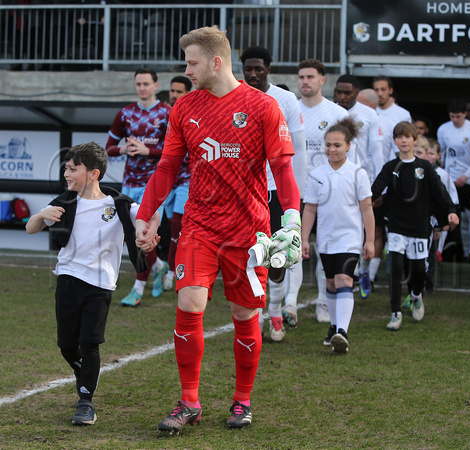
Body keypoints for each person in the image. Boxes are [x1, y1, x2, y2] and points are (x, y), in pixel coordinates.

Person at [134, 26, 301, 432]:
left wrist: (292, 219)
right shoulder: (184, 108)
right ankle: (189, 402)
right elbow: (168, 167)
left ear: (216, 61)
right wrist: (145, 214)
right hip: (199, 227)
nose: (187, 70)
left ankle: (242, 401)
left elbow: (282, 167)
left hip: (249, 232)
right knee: (189, 304)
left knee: (244, 315)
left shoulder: (262, 107)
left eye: (192, 62)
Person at [25, 142, 160, 426]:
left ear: (93, 173)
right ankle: (84, 371)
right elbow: (31, 227)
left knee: (90, 343)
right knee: (66, 345)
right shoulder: (63, 202)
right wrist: (39, 216)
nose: (66, 173)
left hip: (99, 285)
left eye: (73, 168)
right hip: (67, 281)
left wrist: (148, 232)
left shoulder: (119, 204)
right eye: (65, 168)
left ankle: (85, 401)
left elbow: (152, 212)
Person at [241, 45, 307, 341]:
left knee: (278, 256)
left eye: (258, 69)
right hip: (246, 191)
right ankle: (253, 312)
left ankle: (276, 311)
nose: (253, 74)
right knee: (250, 254)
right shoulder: (234, 95)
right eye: (247, 69)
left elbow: (299, 149)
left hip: (277, 189)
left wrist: (297, 196)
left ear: (269, 69)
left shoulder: (286, 99)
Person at [372, 122, 459, 331]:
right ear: (394, 141)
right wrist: (364, 203)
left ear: (414, 139)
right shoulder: (390, 167)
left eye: (407, 137)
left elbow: (439, 192)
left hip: (420, 224)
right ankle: (395, 313)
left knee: (419, 269)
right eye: (399, 137)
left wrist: (450, 210)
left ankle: (416, 294)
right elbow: (374, 190)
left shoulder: (425, 167)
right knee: (396, 268)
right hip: (395, 225)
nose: (403, 140)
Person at [301, 117, 375, 353]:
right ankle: (334, 327)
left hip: (350, 238)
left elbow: (366, 208)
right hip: (326, 239)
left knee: (344, 279)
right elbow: (310, 208)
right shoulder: (317, 174)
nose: (332, 149)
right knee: (331, 283)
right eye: (328, 145)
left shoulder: (357, 174)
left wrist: (370, 239)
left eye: (337, 145)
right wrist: (304, 238)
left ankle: (342, 331)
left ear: (348, 146)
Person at [106, 68, 170, 307]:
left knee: (143, 235)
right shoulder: (125, 113)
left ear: (156, 85)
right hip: (129, 184)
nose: (142, 88)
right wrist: (122, 149)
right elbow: (109, 147)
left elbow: (177, 151)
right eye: (138, 84)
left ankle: (137, 288)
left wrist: (149, 151)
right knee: (134, 236)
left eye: (146, 83)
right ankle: (158, 266)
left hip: (155, 184)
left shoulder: (166, 113)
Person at [298, 58, 349, 323]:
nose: (305, 82)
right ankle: (289, 305)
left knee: (324, 250)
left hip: (327, 194)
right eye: (301, 77)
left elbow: (349, 155)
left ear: (322, 80)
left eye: (310, 77)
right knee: (292, 247)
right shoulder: (289, 110)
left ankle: (322, 301)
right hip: (295, 192)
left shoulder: (336, 114)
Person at [333, 76, 384, 300]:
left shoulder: (369, 115)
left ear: (357, 93)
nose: (342, 97)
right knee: (345, 229)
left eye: (347, 93)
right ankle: (348, 273)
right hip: (336, 181)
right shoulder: (329, 111)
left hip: (363, 181)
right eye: (339, 92)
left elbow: (377, 153)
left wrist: (379, 187)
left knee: (365, 231)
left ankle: (363, 270)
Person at [437, 98, 470, 264]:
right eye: (452, 116)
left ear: (465, 114)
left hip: (468, 180)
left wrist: (466, 175)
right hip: (450, 179)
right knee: (446, 215)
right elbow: (440, 153)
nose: (455, 120)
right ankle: (439, 250)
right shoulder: (443, 129)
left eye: (458, 116)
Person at [162, 75, 193, 292]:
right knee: (166, 227)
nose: (173, 95)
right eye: (172, 91)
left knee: (177, 228)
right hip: (167, 179)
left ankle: (173, 272)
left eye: (179, 92)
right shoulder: (163, 116)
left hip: (187, 179)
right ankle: (166, 267)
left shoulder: (192, 114)